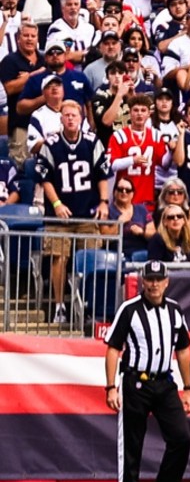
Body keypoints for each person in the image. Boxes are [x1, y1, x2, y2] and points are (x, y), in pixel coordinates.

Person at [103, 261, 190, 482]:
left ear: (167, 281)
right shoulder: (129, 310)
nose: (154, 284)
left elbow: (184, 350)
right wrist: (111, 386)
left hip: (165, 383)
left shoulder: (175, 311)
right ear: (143, 281)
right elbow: (113, 348)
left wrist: (189, 388)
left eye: (159, 279)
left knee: (181, 438)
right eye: (150, 279)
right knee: (133, 445)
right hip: (135, 382)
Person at [35, 99, 111, 326]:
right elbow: (44, 177)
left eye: (74, 115)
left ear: (81, 118)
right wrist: (57, 204)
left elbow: (102, 174)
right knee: (60, 257)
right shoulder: (51, 144)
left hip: (86, 213)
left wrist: (104, 202)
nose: (70, 119)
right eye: (66, 115)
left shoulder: (91, 141)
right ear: (61, 118)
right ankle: (59, 306)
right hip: (59, 215)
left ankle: (89, 305)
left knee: (91, 260)